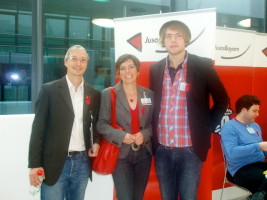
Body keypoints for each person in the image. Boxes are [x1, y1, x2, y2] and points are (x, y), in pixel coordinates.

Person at [149, 20, 229, 200]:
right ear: (163, 41)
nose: (173, 40)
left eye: (178, 35)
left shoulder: (202, 65)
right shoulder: (155, 69)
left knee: (188, 197)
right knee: (166, 197)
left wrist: (207, 126)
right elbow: (154, 105)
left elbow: (222, 99)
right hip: (162, 148)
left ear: (186, 39)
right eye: (168, 36)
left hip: (190, 150)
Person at [28, 45, 101, 200]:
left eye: (83, 60)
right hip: (54, 163)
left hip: (82, 162)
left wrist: (97, 142)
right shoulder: (49, 90)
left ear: (87, 64)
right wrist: (35, 164)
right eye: (73, 58)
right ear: (65, 62)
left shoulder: (93, 94)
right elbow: (38, 129)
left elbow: (94, 125)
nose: (78, 63)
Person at [97, 54, 153, 200]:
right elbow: (101, 124)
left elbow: (154, 124)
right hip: (120, 155)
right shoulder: (108, 94)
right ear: (118, 72)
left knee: (138, 197)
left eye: (131, 67)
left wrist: (145, 134)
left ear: (138, 70)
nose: (127, 71)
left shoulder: (149, 94)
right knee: (125, 197)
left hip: (144, 155)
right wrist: (122, 136)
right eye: (123, 68)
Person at [221, 95, 267, 200]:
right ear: (244, 110)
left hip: (259, 166)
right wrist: (259, 146)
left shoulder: (255, 126)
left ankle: (258, 195)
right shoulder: (229, 127)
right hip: (241, 169)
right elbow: (231, 152)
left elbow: (262, 151)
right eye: (254, 111)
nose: (258, 114)